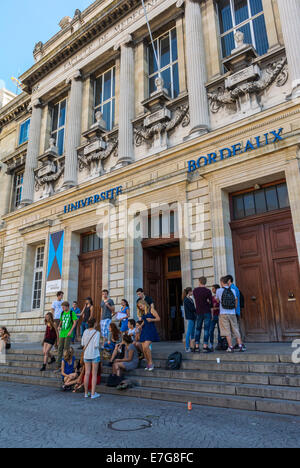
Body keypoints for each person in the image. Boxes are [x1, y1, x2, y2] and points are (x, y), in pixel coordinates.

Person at [216, 277, 245, 353]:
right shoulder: (232, 290)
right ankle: (240, 346)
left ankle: (230, 347)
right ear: (228, 282)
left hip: (223, 313)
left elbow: (218, 300)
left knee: (227, 331)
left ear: (222, 282)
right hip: (232, 312)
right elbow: (236, 300)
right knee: (235, 329)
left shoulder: (219, 290)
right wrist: (234, 308)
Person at [137, 300, 160, 371]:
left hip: (150, 330)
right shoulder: (144, 311)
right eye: (139, 307)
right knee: (143, 349)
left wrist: (151, 319)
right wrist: (140, 326)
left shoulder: (151, 309)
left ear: (144, 304)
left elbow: (158, 319)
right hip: (144, 330)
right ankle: (148, 363)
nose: (140, 308)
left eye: (141, 306)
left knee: (146, 346)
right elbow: (145, 320)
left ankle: (151, 363)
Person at [82, 318, 101, 400]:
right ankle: (93, 393)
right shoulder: (97, 333)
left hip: (86, 354)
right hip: (94, 354)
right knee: (94, 374)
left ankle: (86, 393)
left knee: (87, 373)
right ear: (94, 324)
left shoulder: (85, 332)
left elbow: (82, 343)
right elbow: (96, 345)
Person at [193, 277, 213, 353]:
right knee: (206, 330)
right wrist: (207, 301)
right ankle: (205, 346)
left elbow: (196, 299)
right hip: (207, 311)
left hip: (199, 312)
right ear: (205, 282)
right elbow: (211, 303)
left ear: (199, 281)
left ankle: (197, 346)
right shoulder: (208, 291)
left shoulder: (195, 291)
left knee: (198, 329)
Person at [56, 302, 78, 370]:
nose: (62, 308)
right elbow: (61, 321)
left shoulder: (72, 313)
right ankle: (58, 364)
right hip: (62, 333)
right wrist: (59, 326)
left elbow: (75, 323)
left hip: (68, 333)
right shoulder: (62, 313)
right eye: (62, 307)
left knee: (66, 349)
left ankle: (65, 364)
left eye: (63, 307)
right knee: (60, 348)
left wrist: (71, 331)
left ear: (67, 306)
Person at [226, 275, 246, 349]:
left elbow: (235, 300)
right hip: (235, 311)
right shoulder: (234, 288)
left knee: (235, 328)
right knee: (235, 327)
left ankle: (240, 344)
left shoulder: (232, 288)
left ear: (229, 281)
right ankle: (239, 343)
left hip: (234, 311)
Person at [183, 287, 196, 353]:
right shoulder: (186, 299)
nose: (192, 292)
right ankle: (187, 347)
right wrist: (196, 309)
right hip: (190, 317)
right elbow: (192, 308)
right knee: (188, 332)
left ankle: (192, 346)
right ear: (189, 292)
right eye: (191, 291)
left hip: (193, 317)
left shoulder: (190, 299)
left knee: (192, 332)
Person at [209, 285, 222, 351]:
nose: (212, 290)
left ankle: (219, 344)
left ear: (217, 289)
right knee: (211, 330)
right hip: (213, 316)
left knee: (220, 331)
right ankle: (211, 344)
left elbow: (222, 307)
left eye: (213, 289)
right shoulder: (211, 297)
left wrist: (216, 308)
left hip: (219, 316)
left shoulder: (220, 297)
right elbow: (210, 307)